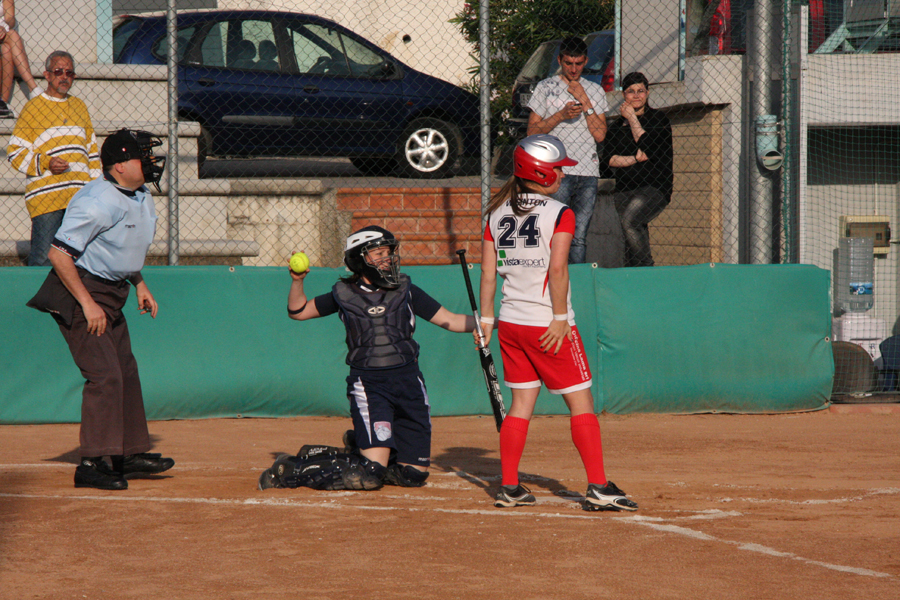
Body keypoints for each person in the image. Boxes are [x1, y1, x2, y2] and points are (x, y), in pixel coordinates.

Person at [478, 134, 638, 511]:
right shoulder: (560, 212)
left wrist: (485, 320)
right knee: (582, 403)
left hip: (511, 323)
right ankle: (598, 486)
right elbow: (558, 269)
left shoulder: (495, 214)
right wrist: (561, 318)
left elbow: (487, 274)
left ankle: (510, 486)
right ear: (540, 172)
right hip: (547, 323)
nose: (562, 176)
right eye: (558, 170)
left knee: (521, 404)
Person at [258, 226, 475, 492]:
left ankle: (358, 448)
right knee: (371, 474)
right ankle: (290, 469)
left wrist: (494, 323)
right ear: (359, 259)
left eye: (388, 253)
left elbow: (451, 320)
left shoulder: (405, 289)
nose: (387, 259)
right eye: (378, 254)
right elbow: (298, 311)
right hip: (370, 385)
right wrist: (297, 280)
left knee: (412, 476)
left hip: (409, 383)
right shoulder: (344, 293)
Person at [26, 129, 170, 491]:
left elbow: (121, 248)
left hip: (113, 292)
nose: (150, 162)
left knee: (126, 371)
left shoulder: (140, 195)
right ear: (119, 166)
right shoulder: (96, 201)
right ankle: (90, 464)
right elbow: (58, 255)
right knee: (105, 376)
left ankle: (127, 453)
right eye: (142, 156)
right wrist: (88, 304)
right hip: (81, 292)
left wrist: (139, 283)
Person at [7, 50, 100, 266]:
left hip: (79, 198)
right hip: (46, 199)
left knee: (78, 260)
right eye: (58, 71)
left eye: (69, 72)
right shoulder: (33, 108)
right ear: (47, 75)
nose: (64, 77)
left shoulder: (79, 106)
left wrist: (95, 191)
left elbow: (92, 152)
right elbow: (15, 151)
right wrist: (46, 162)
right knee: (43, 259)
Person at [526, 36, 609, 264]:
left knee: (578, 237)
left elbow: (600, 134)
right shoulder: (546, 88)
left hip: (587, 171)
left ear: (586, 61)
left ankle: (576, 281)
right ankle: (554, 279)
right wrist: (560, 115)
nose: (573, 69)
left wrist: (585, 100)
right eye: (569, 63)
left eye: (579, 63)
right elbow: (531, 132)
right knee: (555, 233)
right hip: (557, 173)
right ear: (560, 60)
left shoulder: (594, 90)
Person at [604, 72, 673, 267]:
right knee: (627, 237)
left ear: (647, 93)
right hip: (624, 188)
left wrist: (633, 119)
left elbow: (648, 146)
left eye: (640, 91)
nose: (636, 95)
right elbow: (609, 159)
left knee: (631, 221)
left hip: (654, 186)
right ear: (623, 95)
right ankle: (632, 274)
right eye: (631, 91)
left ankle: (646, 268)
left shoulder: (658, 119)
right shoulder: (617, 126)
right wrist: (634, 158)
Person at [0, 0, 42, 118]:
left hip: (2, 34)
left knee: (7, 48)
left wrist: (3, 27)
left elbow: (10, 18)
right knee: (10, 42)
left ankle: (3, 103)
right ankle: (34, 89)